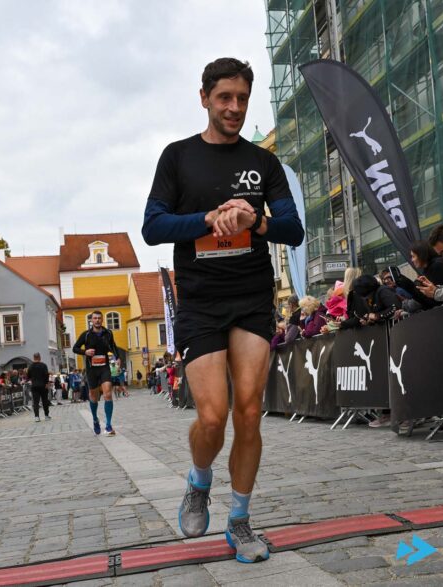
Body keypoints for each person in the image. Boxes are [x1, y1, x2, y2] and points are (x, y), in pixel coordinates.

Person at [141, 57, 304, 563]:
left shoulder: (263, 163)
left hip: (251, 297)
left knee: (249, 411)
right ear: (205, 98)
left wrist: (256, 223)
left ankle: (239, 520)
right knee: (212, 417)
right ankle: (199, 481)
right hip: (201, 302)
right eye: (224, 98)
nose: (234, 107)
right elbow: (153, 226)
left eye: (242, 99)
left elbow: (294, 229)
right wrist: (208, 218)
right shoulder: (177, 157)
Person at [72, 310, 121, 436]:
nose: (97, 320)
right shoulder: (86, 335)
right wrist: (85, 352)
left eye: (99, 318)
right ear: (91, 320)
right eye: (95, 318)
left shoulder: (108, 333)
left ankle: (108, 425)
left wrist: (118, 357)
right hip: (91, 369)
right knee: (93, 396)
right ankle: (95, 419)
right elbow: (75, 348)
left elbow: (113, 346)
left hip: (104, 367)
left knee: (108, 393)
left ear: (102, 320)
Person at [27, 352, 51, 422]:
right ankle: (46, 416)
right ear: (39, 357)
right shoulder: (43, 365)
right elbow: (46, 375)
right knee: (44, 401)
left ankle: (37, 417)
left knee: (36, 402)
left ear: (34, 358)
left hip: (34, 386)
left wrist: (33, 379)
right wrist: (47, 383)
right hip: (43, 385)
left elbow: (28, 376)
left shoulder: (30, 366)